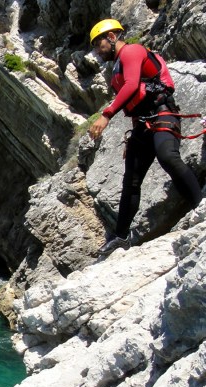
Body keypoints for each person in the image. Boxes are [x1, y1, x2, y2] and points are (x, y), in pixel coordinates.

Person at [89, 19, 202, 255]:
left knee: (167, 156)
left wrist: (106, 115)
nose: (96, 52)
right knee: (131, 180)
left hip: (163, 114)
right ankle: (120, 237)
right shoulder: (117, 67)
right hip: (143, 125)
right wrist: (132, 138)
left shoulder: (132, 51)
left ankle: (201, 207)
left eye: (98, 44)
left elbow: (132, 86)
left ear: (111, 37)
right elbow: (134, 100)